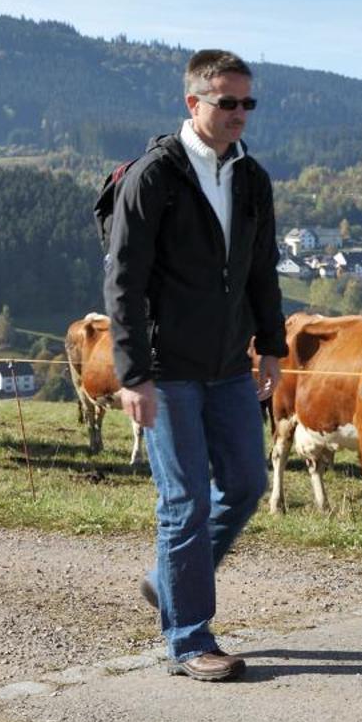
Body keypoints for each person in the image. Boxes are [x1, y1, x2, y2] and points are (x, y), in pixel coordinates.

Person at [104, 49, 285, 682]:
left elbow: (262, 269)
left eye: (247, 103)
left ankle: (167, 581)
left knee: (244, 486)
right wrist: (133, 373)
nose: (239, 114)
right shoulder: (153, 177)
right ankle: (189, 640)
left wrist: (273, 347)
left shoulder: (251, 176)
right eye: (226, 102)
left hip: (231, 364)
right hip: (167, 367)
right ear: (193, 103)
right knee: (184, 503)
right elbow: (123, 282)